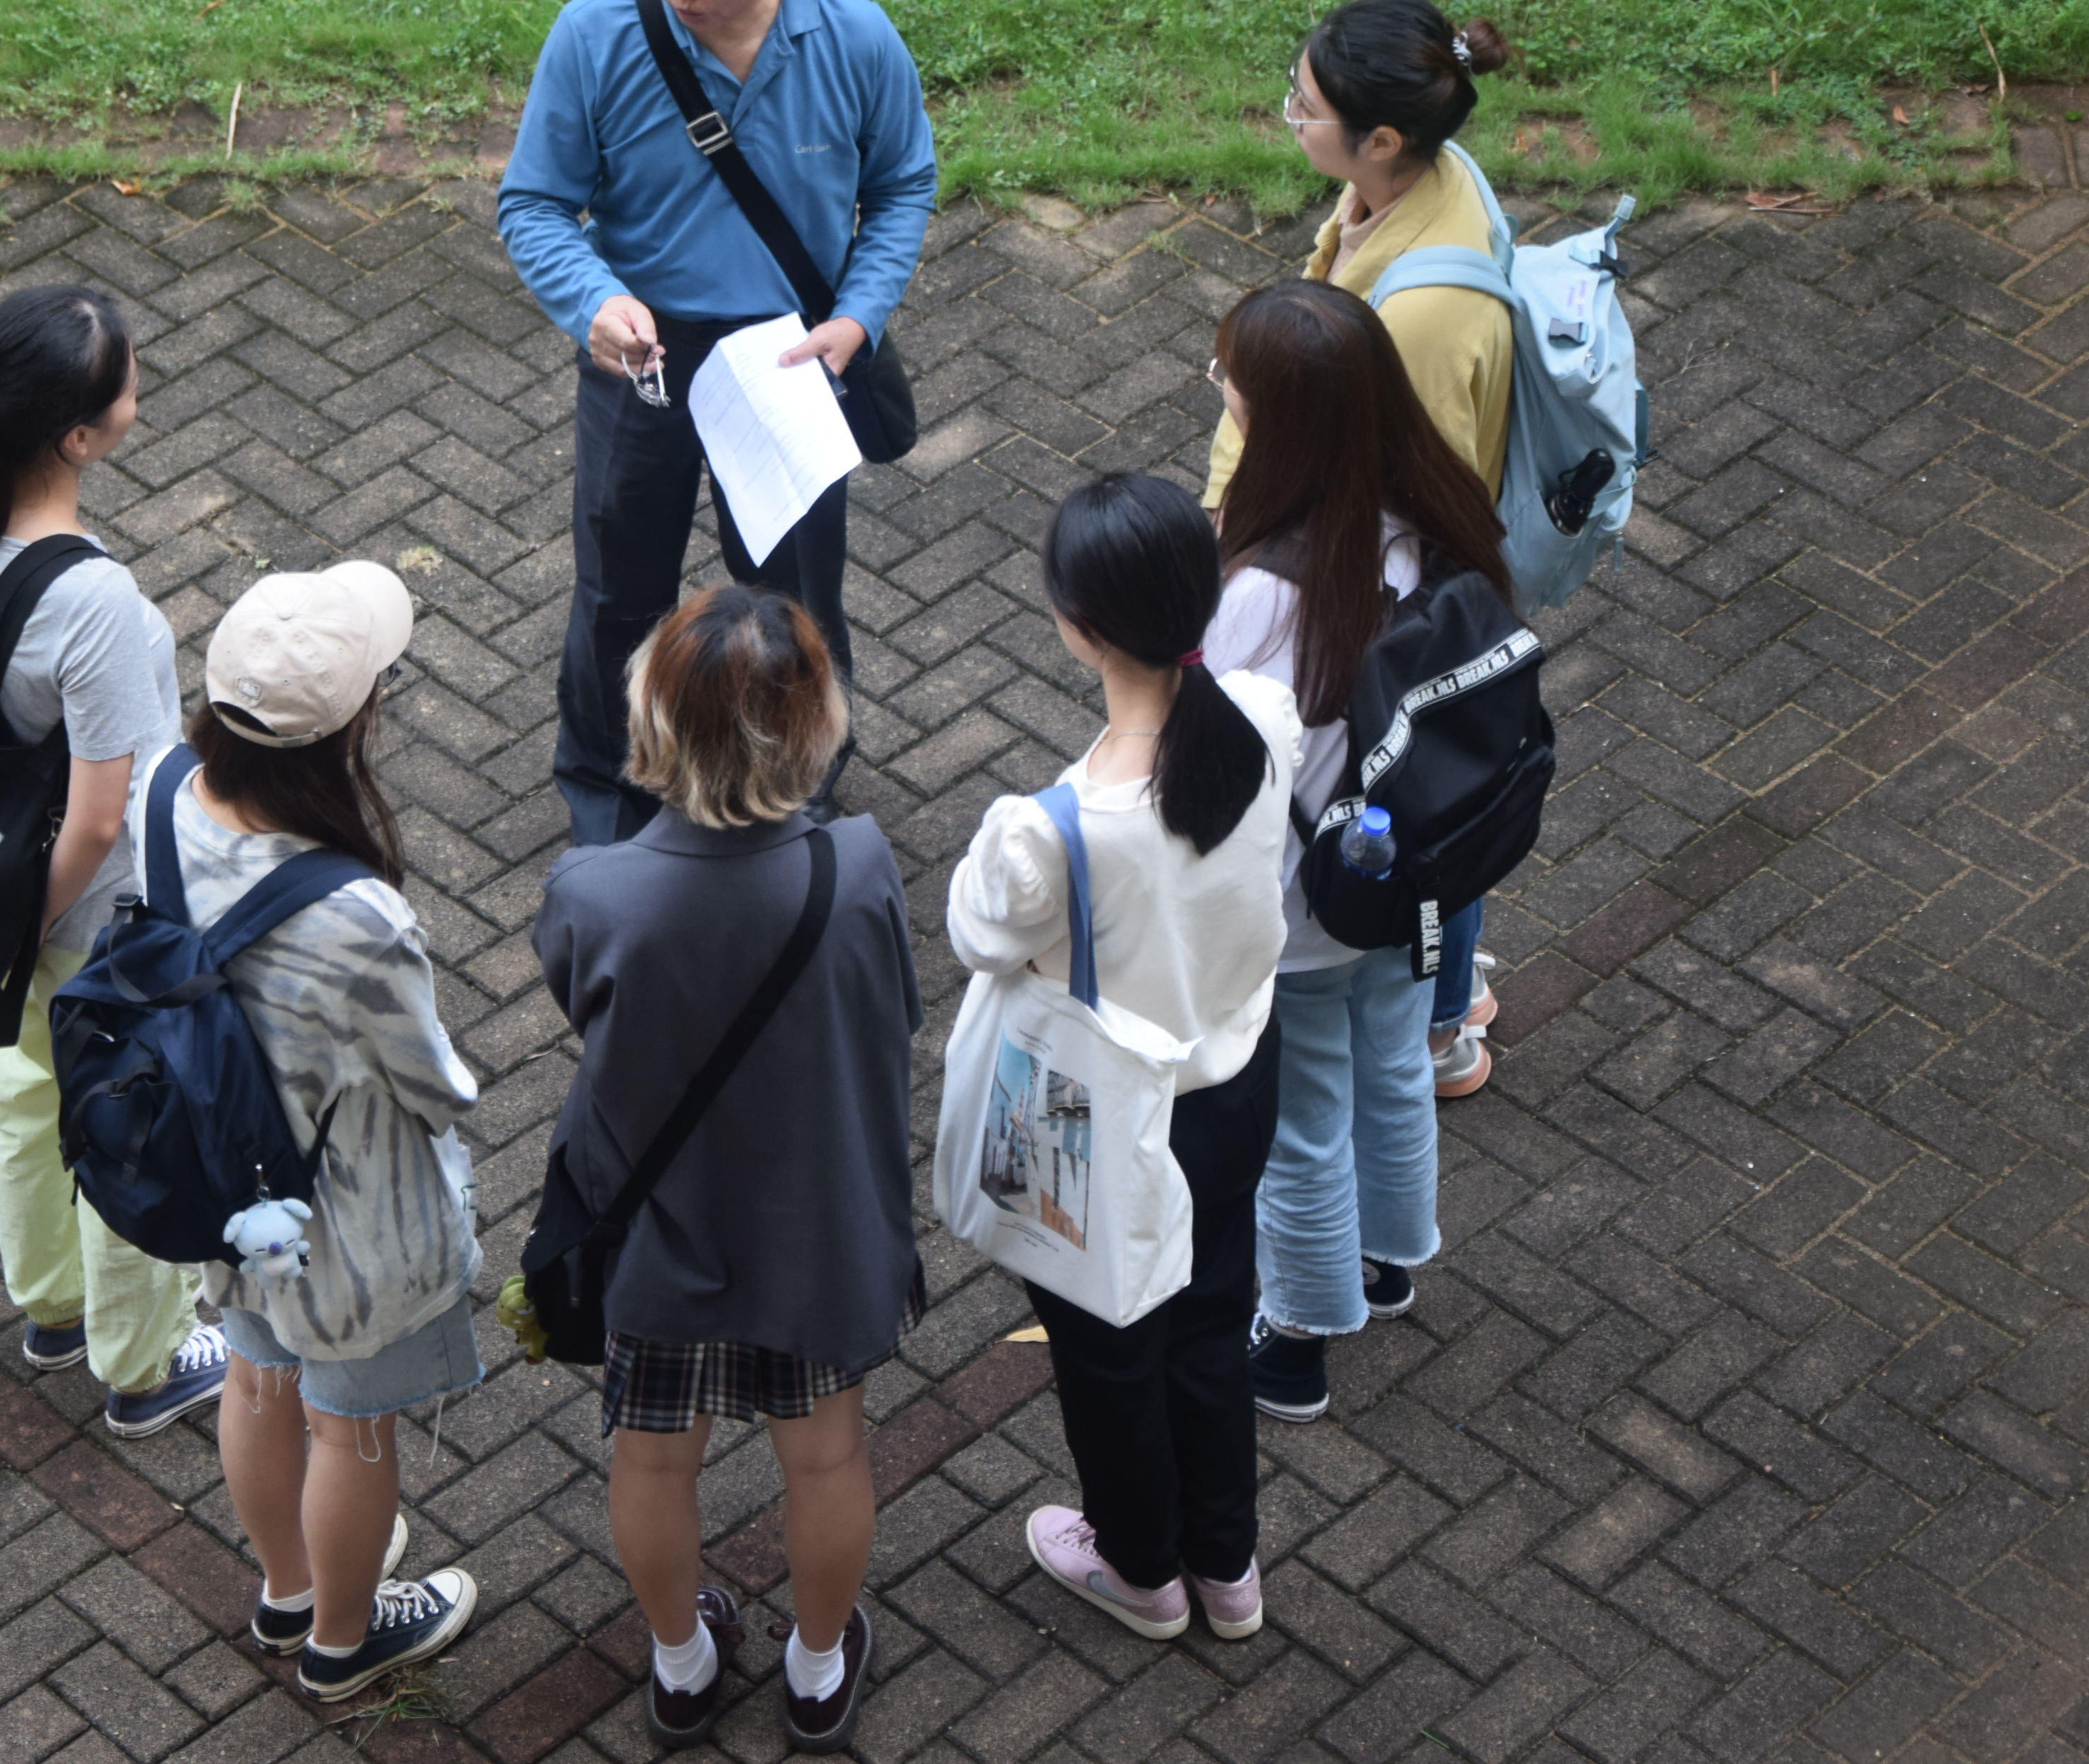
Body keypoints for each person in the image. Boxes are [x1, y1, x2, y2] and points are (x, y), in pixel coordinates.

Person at [499, 0, 938, 847]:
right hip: (642, 358)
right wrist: (594, 300)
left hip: (790, 356)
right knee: (618, 594)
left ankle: (796, 795)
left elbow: (906, 185)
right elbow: (535, 203)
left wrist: (860, 318)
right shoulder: (596, 36)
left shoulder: (856, 39)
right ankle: (609, 808)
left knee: (792, 600)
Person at [533, 587, 921, 1752]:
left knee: (652, 1460)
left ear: (652, 720)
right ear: (810, 723)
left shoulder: (594, 891)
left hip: (663, 1234)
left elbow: (582, 1008)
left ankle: (682, 1664)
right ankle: (815, 1672)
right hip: (819, 1229)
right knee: (828, 1455)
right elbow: (892, 1011)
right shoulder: (856, 865)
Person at [946, 473, 1300, 1645]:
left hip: (1105, 1118)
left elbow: (977, 934)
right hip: (1239, 1085)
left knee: (1107, 1350)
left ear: (1080, 630)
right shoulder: (1263, 713)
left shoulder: (1049, 832)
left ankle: (1141, 1571)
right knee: (1211, 1320)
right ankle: (1229, 1568)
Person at [0, 283, 223, 1434]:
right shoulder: (101, 607)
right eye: (127, 381)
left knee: (28, 1098)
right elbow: (101, 816)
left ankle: (53, 1310)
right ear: (81, 438)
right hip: (98, 913)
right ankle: (146, 1362)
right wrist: (35, 926)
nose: (139, 390)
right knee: (129, 1123)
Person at [1200, 281, 1516, 1423]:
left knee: (1300, 1120)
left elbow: (1223, 768)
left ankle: (1294, 1337)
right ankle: (1390, 1263)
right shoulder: (1434, 511)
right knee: (1393, 1065)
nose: (1224, 396)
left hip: (1301, 904)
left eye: (1232, 384)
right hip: (1418, 867)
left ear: (1279, 418)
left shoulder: (1264, 593)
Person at [180, 563, 487, 1702]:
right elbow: (435, 1084)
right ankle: (347, 1644)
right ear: (351, 724)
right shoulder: (354, 916)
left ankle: (289, 1589)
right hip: (352, 1216)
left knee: (256, 1380)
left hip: (227, 1186)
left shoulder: (172, 798)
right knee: (352, 1421)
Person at [1206, 0, 1520, 1096]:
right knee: (1414, 765)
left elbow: (1393, 482)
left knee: (1413, 776)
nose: (1291, 116)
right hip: (1363, 560)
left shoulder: (1423, 316)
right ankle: (1441, 996)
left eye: (1306, 105)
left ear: (1382, 137)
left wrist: (1254, 551)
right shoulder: (1396, 190)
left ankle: (1441, 1014)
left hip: (1388, 585)